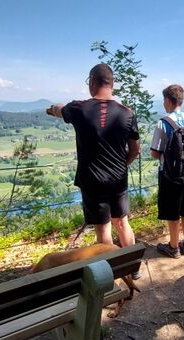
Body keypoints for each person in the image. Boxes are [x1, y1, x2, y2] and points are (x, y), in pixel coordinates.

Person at [46, 63, 141, 276]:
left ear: (91, 81)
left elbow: (59, 109)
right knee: (122, 223)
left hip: (92, 181)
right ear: (112, 84)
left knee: (103, 230)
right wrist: (121, 165)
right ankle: (133, 267)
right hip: (118, 180)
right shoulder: (127, 113)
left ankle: (112, 273)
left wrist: (52, 108)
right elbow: (135, 150)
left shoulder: (79, 109)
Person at [150, 84, 184, 258]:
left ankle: (173, 247)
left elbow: (155, 152)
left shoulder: (163, 123)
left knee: (172, 211)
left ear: (167, 100)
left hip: (169, 175)